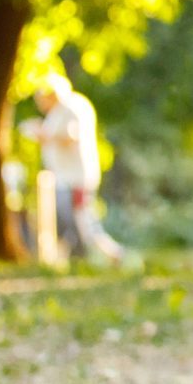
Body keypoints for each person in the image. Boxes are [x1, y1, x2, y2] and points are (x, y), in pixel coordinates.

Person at [29, 70, 123, 262]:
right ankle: (69, 260)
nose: (39, 104)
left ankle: (114, 255)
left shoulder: (70, 107)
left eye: (40, 98)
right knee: (71, 221)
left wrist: (45, 136)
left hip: (76, 178)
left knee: (83, 221)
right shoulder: (58, 111)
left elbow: (72, 137)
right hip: (65, 177)